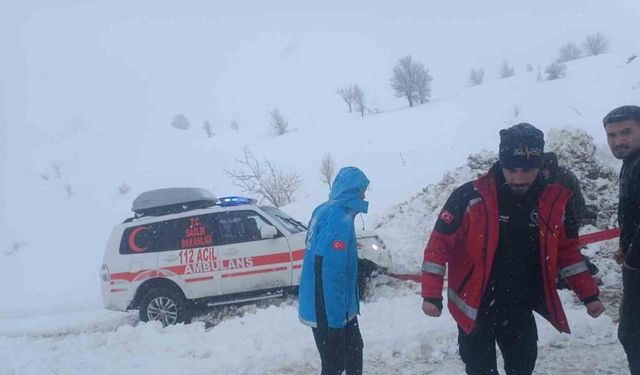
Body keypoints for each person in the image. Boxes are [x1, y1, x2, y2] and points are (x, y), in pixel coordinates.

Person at [421, 123, 605, 374]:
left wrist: (589, 295)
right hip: (474, 306)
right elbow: (437, 246)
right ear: (500, 163)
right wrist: (431, 295)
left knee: (522, 367)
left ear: (541, 167)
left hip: (520, 306)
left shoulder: (554, 201)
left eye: (527, 169)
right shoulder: (469, 197)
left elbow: (568, 253)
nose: (518, 178)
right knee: (480, 370)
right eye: (511, 169)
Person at [298, 166, 370, 375]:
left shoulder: (326, 209)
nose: (364, 195)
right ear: (352, 191)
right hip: (328, 310)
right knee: (335, 365)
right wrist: (334, 322)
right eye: (362, 189)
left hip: (336, 306)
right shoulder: (338, 218)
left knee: (353, 353)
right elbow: (328, 272)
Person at [603, 105, 640, 374]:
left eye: (626, 132)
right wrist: (625, 245)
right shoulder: (631, 164)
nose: (618, 141)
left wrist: (633, 260)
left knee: (633, 336)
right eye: (612, 135)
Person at [541, 152, 600, 288]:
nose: (543, 171)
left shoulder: (560, 178)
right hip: (569, 215)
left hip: (569, 217)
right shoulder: (559, 174)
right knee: (562, 247)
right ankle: (587, 269)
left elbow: (564, 202)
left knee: (565, 248)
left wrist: (567, 222)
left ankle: (582, 272)